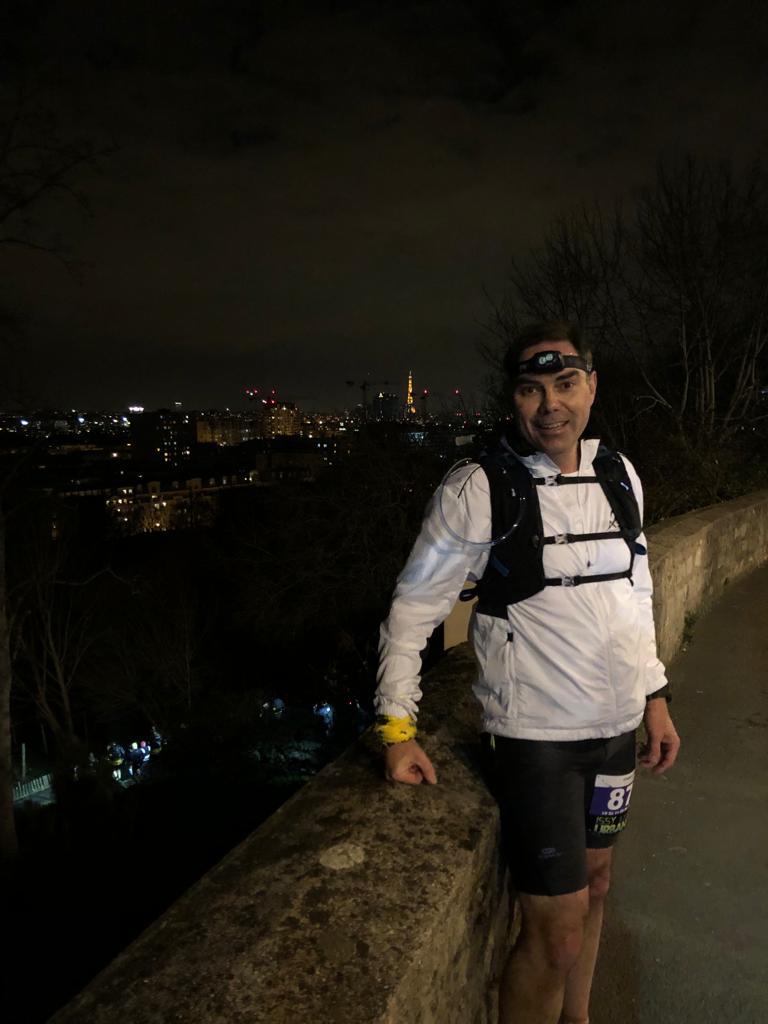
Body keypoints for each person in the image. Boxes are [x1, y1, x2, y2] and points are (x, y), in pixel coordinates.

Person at [374, 321, 680, 1024]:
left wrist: (655, 695)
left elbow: (635, 592)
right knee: (556, 934)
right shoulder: (480, 487)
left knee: (597, 883)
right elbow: (414, 606)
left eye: (565, 384)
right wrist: (396, 727)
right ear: (512, 399)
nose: (551, 406)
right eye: (531, 390)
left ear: (592, 387)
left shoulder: (618, 474)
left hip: (615, 732)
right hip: (536, 740)